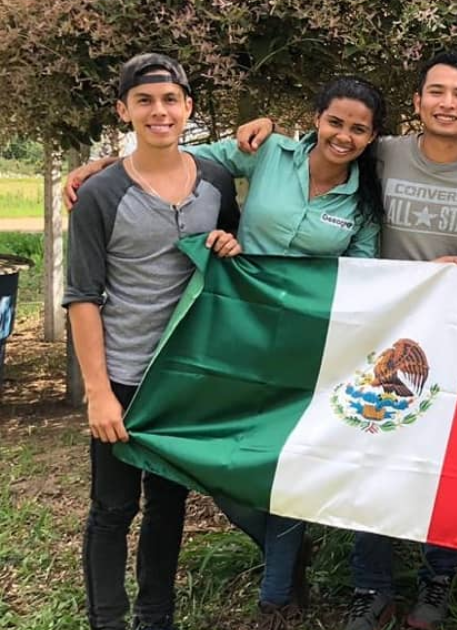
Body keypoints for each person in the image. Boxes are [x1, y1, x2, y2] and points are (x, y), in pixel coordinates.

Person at [68, 75, 390, 629]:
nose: (343, 136)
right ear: (316, 119)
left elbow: (360, 276)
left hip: (294, 349)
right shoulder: (266, 154)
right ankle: (130, 613)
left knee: (271, 465)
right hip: (223, 342)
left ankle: (279, 587)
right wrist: (99, 168)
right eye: (335, 121)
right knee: (203, 471)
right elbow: (174, 152)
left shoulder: (365, 196)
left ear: (372, 137)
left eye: (358, 129)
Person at [234, 51, 457, 630]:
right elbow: (323, 144)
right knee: (372, 451)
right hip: (378, 331)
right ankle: (371, 585)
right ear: (417, 102)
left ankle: (437, 577)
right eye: (436, 91)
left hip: (455, 335)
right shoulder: (381, 152)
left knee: (444, 461)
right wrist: (264, 128)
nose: (447, 103)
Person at [64, 53, 241, 630]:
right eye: (145, 101)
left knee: (168, 507)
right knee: (113, 510)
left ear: (188, 109)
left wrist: (227, 245)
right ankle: (107, 620)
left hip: (181, 378)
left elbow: (231, 258)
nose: (159, 112)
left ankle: (156, 617)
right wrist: (98, 393)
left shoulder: (216, 182)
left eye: (170, 100)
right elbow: (83, 296)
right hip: (121, 372)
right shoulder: (101, 194)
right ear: (124, 111)